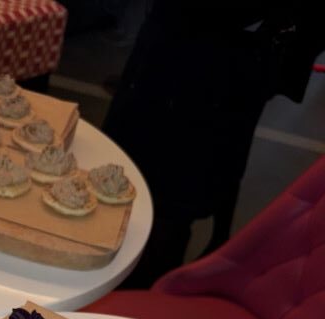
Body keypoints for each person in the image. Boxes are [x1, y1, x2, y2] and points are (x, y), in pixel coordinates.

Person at [103, 0, 325, 289]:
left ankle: (136, 296)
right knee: (127, 185)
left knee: (166, 206)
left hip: (211, 69)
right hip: (192, 57)